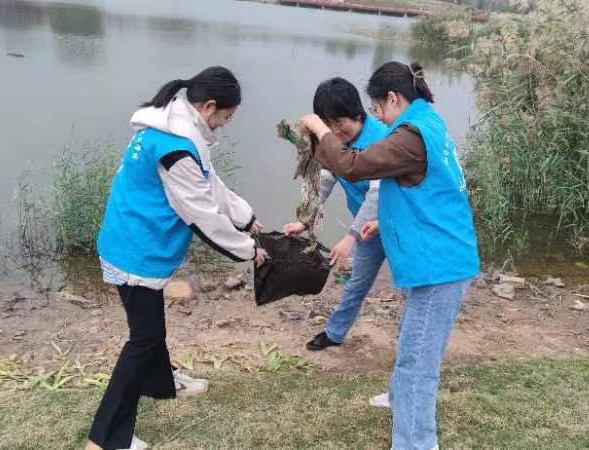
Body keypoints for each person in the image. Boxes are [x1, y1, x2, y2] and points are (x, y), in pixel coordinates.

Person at [299, 61, 480, 450]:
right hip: (436, 256)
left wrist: (319, 130)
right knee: (413, 343)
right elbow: (429, 189)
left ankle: (415, 443)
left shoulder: (409, 136)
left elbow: (351, 166)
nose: (377, 116)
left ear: (393, 99)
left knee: (418, 363)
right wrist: (383, 221)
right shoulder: (427, 122)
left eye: (378, 107)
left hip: (438, 265)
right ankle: (399, 401)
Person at [86, 66, 268, 450]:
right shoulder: (176, 146)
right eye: (227, 116)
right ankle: (106, 439)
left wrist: (245, 217)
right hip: (136, 252)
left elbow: (209, 183)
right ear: (209, 106)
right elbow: (201, 214)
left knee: (150, 329)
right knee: (144, 339)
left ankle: (163, 385)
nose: (226, 124)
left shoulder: (173, 126)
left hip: (130, 240)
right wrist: (249, 250)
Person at [283, 77, 389, 351]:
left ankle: (414, 339)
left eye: (339, 123)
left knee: (412, 285)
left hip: (397, 224)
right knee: (357, 284)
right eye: (327, 124)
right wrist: (305, 220)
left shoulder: (382, 138)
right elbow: (326, 179)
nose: (334, 131)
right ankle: (335, 333)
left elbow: (377, 194)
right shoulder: (330, 141)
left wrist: (350, 237)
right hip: (366, 230)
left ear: (357, 114)